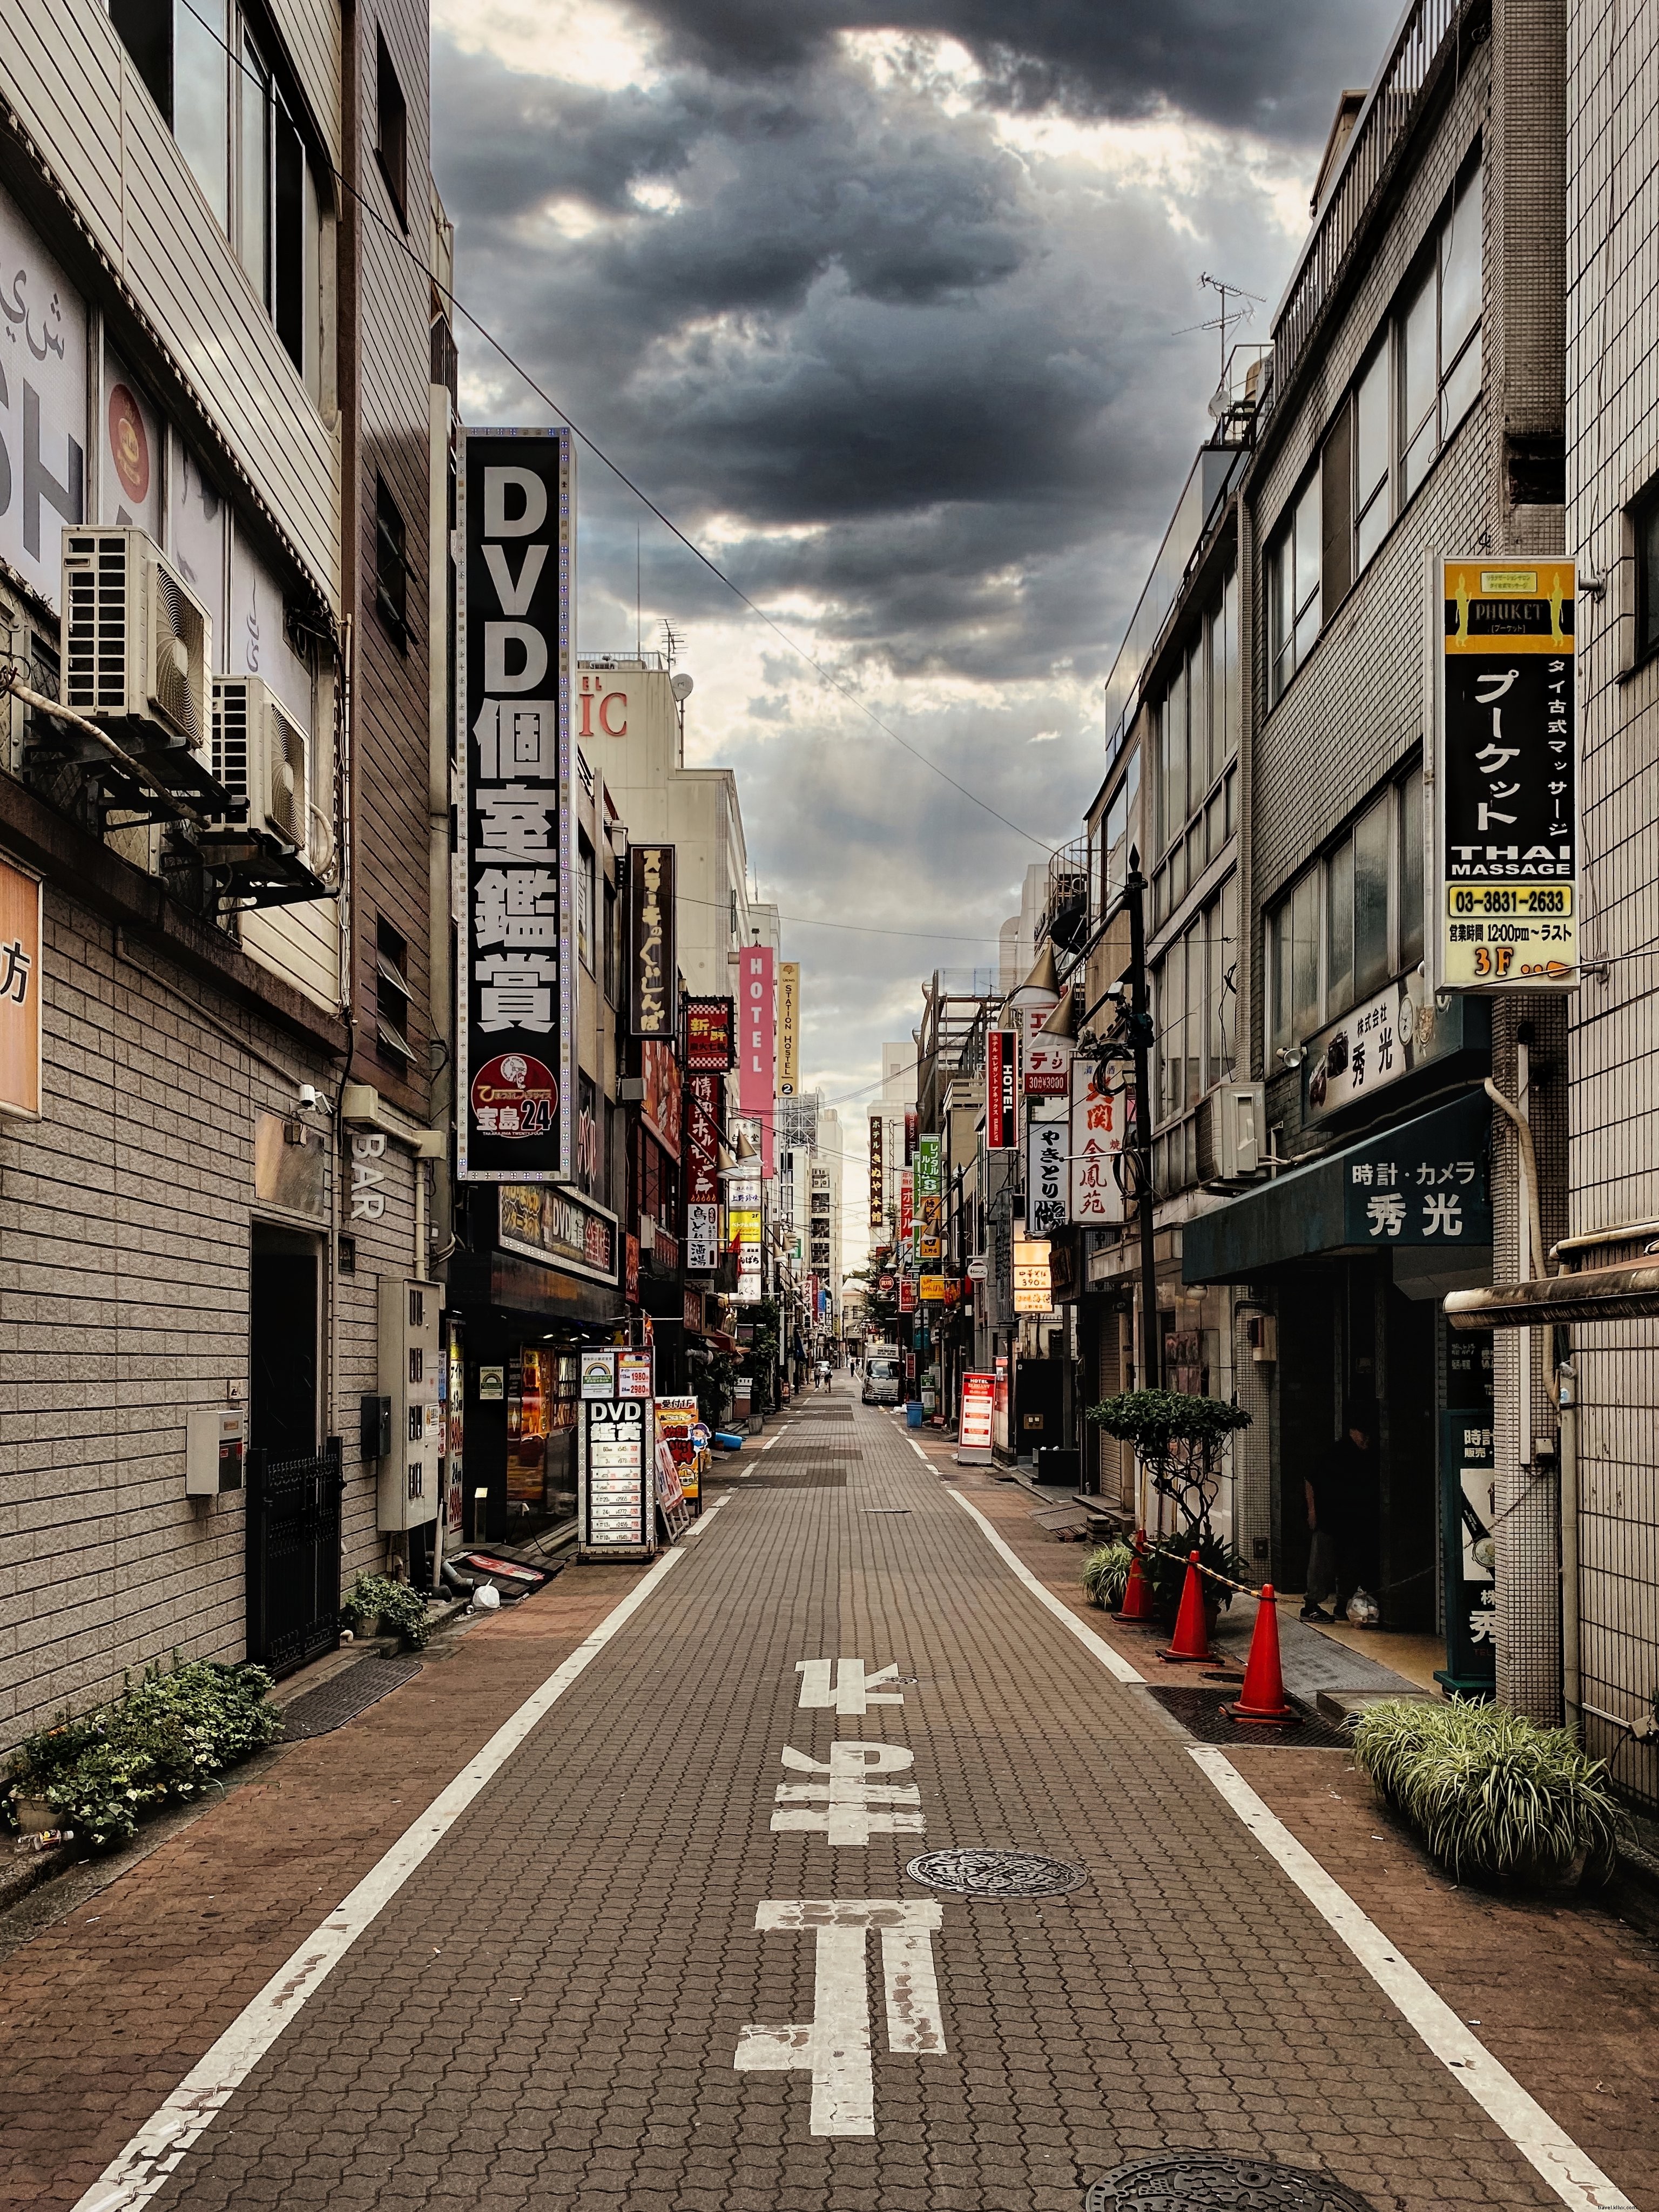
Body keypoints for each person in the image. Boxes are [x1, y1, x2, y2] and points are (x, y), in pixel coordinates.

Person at [1303, 1400, 1378, 1623]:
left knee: (1350, 1564)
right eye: (1363, 1435)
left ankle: (1343, 1604)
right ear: (1353, 1432)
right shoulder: (1335, 1452)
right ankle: (1311, 1605)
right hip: (1329, 1518)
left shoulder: (1367, 1456)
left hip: (1353, 1520)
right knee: (1321, 1563)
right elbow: (1310, 1479)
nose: (1366, 1440)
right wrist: (1312, 1511)